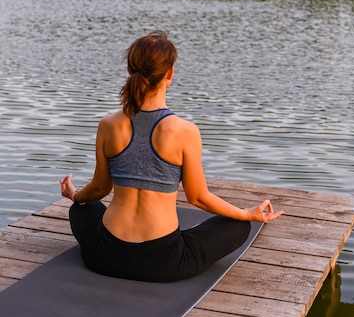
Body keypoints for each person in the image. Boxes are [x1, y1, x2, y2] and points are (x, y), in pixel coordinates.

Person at [60, 30, 284, 282]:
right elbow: (198, 197)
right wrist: (248, 214)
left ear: (129, 71)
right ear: (170, 73)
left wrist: (74, 195)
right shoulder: (184, 131)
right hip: (163, 263)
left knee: (81, 208)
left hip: (104, 256)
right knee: (238, 226)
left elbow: (100, 188)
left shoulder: (108, 124)